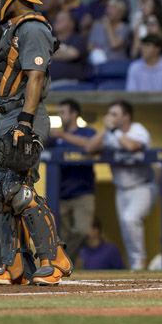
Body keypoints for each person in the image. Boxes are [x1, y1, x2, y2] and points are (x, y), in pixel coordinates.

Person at [0, 0, 73, 285]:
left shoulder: (34, 27)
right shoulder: (13, 25)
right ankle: (15, 266)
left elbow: (35, 77)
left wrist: (24, 122)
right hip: (8, 113)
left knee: (18, 190)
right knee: (1, 192)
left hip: (26, 113)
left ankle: (54, 259)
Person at [85, 100, 156, 271]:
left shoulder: (138, 130)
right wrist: (105, 131)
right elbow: (89, 148)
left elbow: (132, 146)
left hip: (143, 186)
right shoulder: (110, 133)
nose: (111, 117)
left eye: (115, 114)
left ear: (126, 116)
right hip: (122, 188)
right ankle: (135, 265)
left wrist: (114, 131)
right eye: (110, 114)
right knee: (126, 227)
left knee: (130, 218)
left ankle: (140, 260)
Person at [47, 99, 97, 263]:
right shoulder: (55, 139)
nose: (60, 116)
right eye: (59, 112)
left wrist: (63, 135)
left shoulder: (86, 132)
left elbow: (91, 145)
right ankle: (65, 265)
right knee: (60, 235)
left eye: (63, 112)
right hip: (60, 194)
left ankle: (64, 261)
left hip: (83, 192)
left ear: (74, 113)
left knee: (82, 230)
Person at [88, 0, 131, 65]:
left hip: (117, 65)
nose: (109, 10)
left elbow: (114, 44)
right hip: (98, 64)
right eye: (108, 7)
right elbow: (90, 46)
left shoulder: (125, 28)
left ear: (121, 12)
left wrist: (108, 27)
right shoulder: (97, 26)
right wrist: (98, 52)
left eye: (113, 8)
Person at [48, 10, 89, 84]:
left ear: (72, 24)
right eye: (57, 19)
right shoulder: (48, 38)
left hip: (69, 83)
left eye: (62, 19)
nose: (57, 21)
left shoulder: (78, 39)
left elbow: (72, 54)